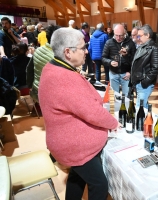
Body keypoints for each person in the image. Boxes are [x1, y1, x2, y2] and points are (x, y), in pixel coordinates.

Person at [39, 28, 122, 200]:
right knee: (99, 184)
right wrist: (113, 124)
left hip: (64, 141)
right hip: (73, 146)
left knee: (77, 178)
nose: (86, 51)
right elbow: (92, 112)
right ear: (68, 52)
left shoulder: (54, 66)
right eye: (83, 47)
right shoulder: (64, 78)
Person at [130, 24, 158, 109]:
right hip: (138, 82)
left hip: (144, 83)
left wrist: (145, 81)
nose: (138, 38)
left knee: (140, 108)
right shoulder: (142, 46)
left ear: (147, 35)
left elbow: (155, 68)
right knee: (143, 106)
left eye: (140, 36)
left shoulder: (154, 48)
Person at [26, 24, 60, 103]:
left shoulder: (38, 50)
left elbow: (29, 69)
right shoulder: (57, 57)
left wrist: (30, 86)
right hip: (49, 96)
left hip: (36, 91)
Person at [102, 24, 136, 96]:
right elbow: (103, 58)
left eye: (120, 35)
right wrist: (110, 62)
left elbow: (135, 60)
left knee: (126, 97)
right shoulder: (109, 42)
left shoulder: (131, 43)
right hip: (113, 73)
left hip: (126, 74)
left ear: (125, 33)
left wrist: (130, 72)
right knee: (114, 96)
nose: (118, 38)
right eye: (116, 35)